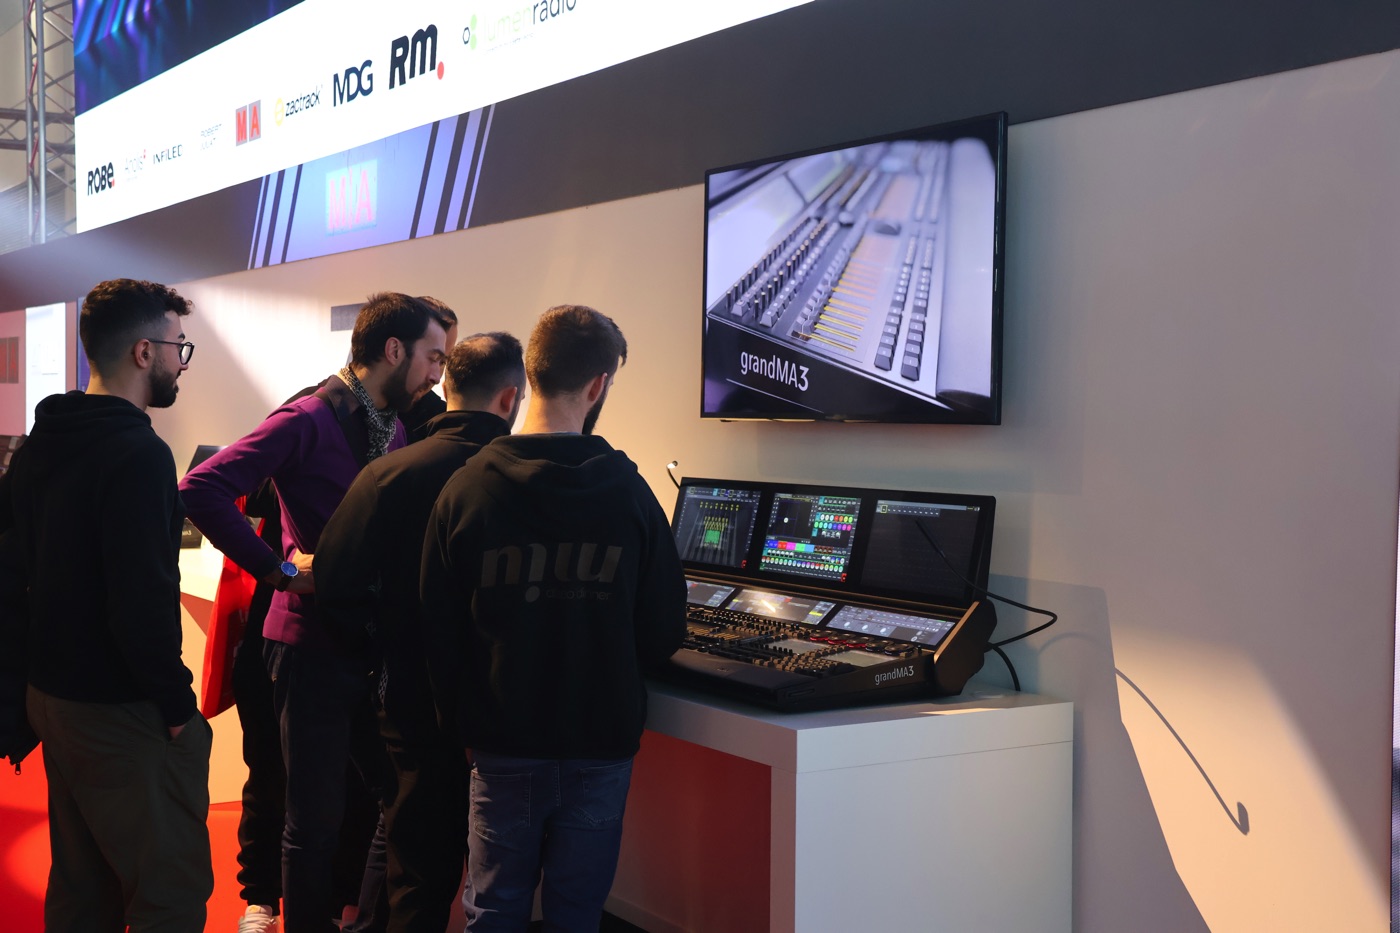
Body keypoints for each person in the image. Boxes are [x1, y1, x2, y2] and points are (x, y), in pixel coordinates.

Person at [181, 292, 450, 933]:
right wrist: (275, 569)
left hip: (365, 645)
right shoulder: (307, 418)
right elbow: (201, 486)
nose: (438, 373)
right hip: (309, 647)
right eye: (433, 356)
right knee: (313, 822)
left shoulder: (396, 426)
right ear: (394, 350)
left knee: (391, 799)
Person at [421, 305, 687, 931]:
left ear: (530, 375)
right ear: (598, 385)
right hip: (600, 742)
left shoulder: (466, 489)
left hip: (502, 741)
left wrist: (460, 725)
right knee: (577, 912)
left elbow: (436, 628)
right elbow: (662, 630)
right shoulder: (631, 493)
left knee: (493, 908)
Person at [0, 278, 213, 932]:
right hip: (121, 706)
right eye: (178, 346)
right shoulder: (139, 453)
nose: (182, 361)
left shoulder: (41, 442)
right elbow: (140, 603)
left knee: (82, 885)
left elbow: (13, 571)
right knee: (168, 893)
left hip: (52, 697)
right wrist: (176, 706)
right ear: (144, 352)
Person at [316, 333, 525, 932]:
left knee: (415, 868)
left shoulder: (389, 473)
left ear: (445, 386)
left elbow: (333, 582)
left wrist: (378, 651)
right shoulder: (531, 481)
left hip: (410, 701)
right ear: (509, 398)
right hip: (508, 710)